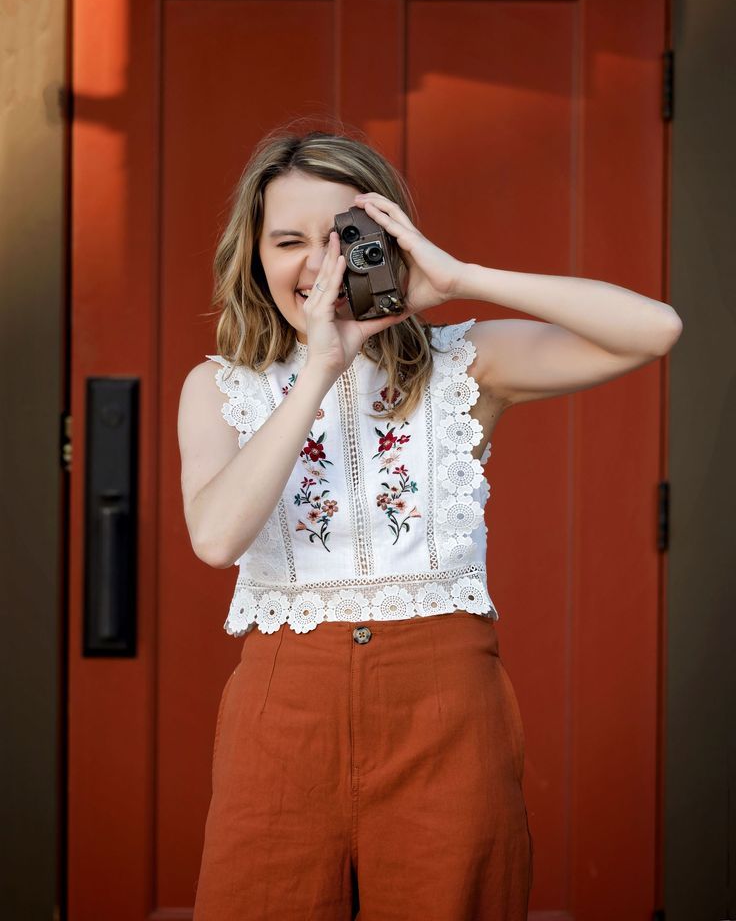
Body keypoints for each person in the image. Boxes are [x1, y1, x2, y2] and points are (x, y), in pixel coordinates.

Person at [178, 125, 682, 921]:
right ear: (253, 254)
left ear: (388, 240)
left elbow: (656, 330)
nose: (320, 264)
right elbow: (215, 539)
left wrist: (462, 276)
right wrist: (319, 367)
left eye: (346, 237)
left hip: (447, 713)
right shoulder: (218, 389)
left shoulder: (466, 366)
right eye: (288, 241)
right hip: (281, 718)